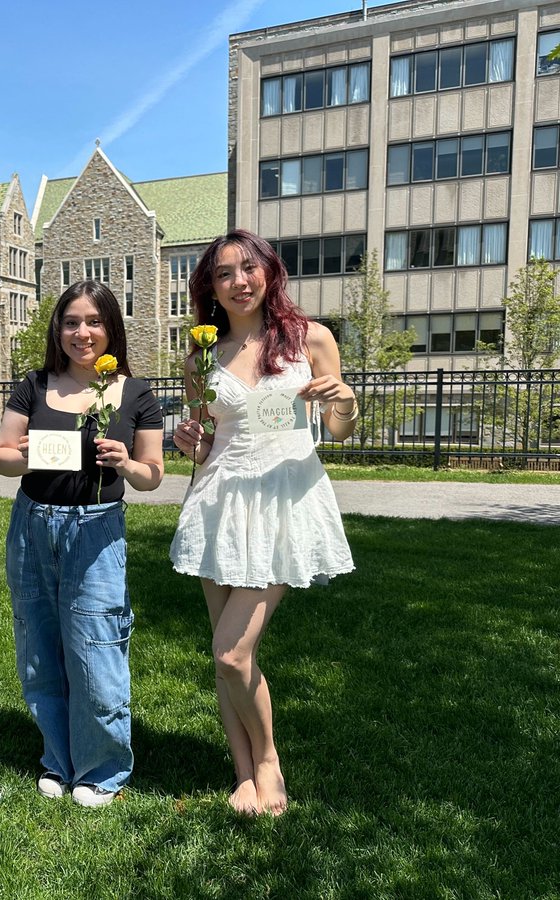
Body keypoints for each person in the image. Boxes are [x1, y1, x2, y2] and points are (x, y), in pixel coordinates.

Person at [168, 229, 356, 817]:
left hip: (285, 503)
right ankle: (244, 773)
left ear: (269, 272)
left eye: (248, 268)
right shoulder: (201, 356)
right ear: (210, 287)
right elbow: (206, 443)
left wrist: (345, 399)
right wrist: (190, 441)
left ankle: (268, 759)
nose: (238, 281)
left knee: (232, 652)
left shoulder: (310, 338)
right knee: (223, 653)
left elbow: (339, 430)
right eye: (224, 273)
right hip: (217, 505)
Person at [0, 281, 165, 807]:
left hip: (96, 529)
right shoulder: (34, 384)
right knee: (39, 644)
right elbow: (0, 457)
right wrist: (24, 455)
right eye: (70, 322)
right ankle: (58, 758)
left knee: (96, 645)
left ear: (111, 328)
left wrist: (125, 463)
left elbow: (152, 475)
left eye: (93, 321)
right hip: (33, 524)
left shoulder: (135, 393)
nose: (81, 333)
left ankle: (102, 768)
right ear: (57, 329)